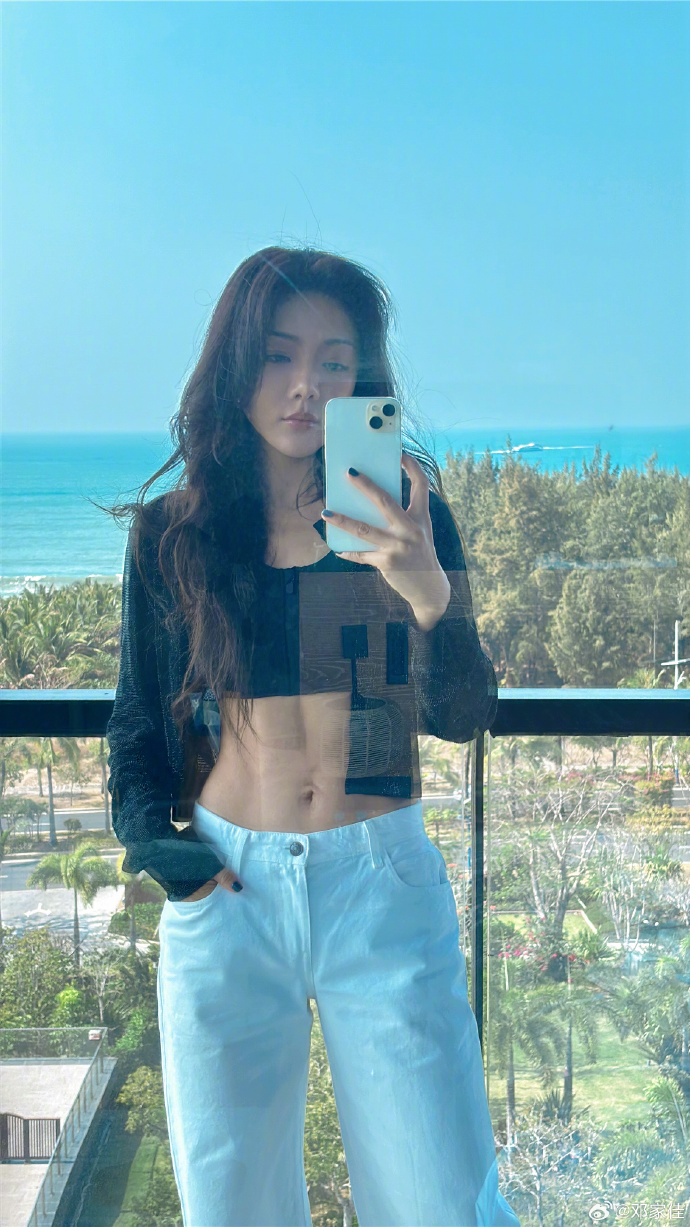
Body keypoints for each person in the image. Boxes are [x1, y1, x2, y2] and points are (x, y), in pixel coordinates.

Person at [105, 246, 520, 1227]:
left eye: (334, 361)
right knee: (233, 1207)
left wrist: (429, 595)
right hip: (229, 889)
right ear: (236, 364)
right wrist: (167, 856)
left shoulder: (405, 516)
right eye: (279, 354)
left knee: (440, 1201)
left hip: (380, 881)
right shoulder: (178, 536)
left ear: (361, 380)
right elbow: (137, 724)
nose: (305, 385)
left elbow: (464, 716)